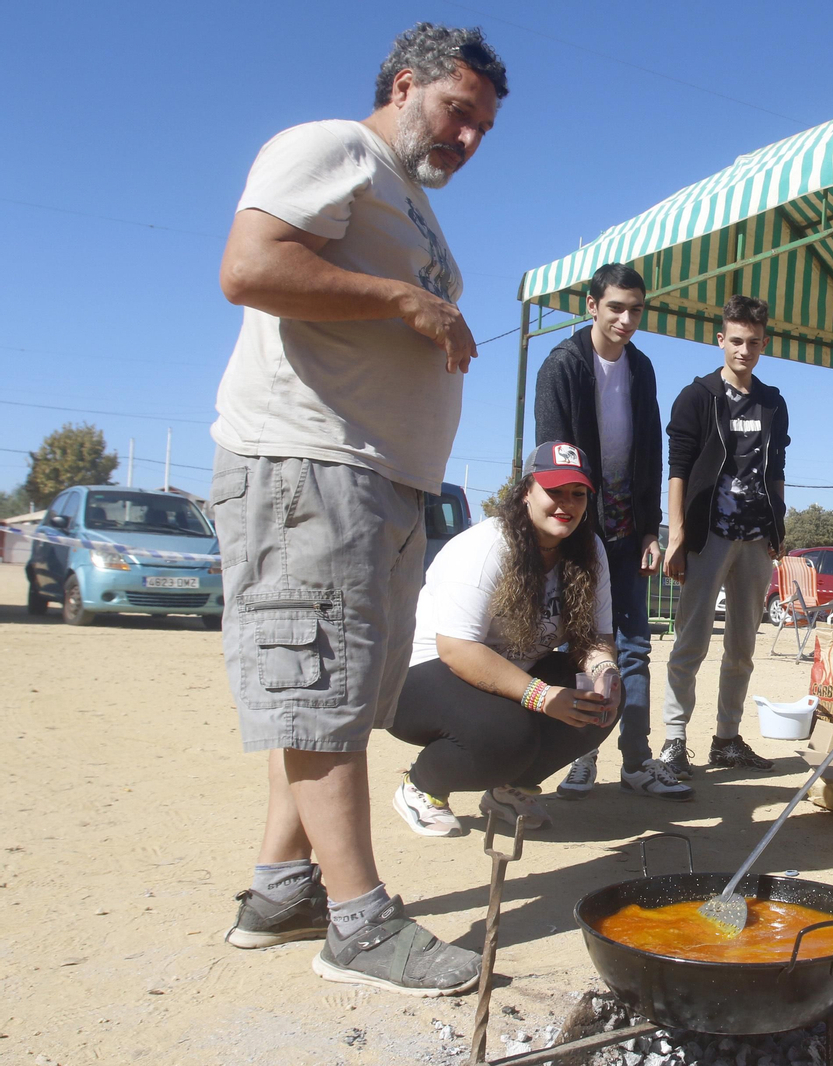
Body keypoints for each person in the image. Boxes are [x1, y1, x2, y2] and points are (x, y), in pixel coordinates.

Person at [212, 24, 507, 995]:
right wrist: (402, 301)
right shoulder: (333, 147)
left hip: (382, 482)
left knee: (331, 701)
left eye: (483, 127)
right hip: (311, 465)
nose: (468, 138)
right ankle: (360, 924)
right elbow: (249, 267)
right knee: (317, 694)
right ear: (403, 85)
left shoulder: (409, 200)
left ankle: (280, 890)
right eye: (458, 111)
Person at [389, 442, 622, 835]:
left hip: (511, 673)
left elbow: (595, 636)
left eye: (578, 494)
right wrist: (543, 696)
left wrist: (605, 672)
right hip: (420, 678)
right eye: (554, 491)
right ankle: (422, 786)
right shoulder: (486, 546)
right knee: (508, 733)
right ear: (526, 491)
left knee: (598, 699)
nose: (566, 504)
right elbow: (457, 650)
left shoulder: (589, 548)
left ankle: (508, 790)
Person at [535, 264, 687, 800]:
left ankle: (637, 761)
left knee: (634, 647)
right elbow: (553, 458)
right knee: (583, 647)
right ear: (592, 305)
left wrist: (649, 530)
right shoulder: (562, 365)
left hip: (629, 531)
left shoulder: (641, 368)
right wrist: (567, 535)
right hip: (580, 530)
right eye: (616, 307)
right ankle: (581, 756)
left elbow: (651, 453)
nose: (625, 319)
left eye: (635, 309)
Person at [658, 295, 790, 780]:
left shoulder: (772, 402)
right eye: (736, 341)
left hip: (756, 538)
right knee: (690, 642)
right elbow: (678, 468)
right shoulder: (697, 396)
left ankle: (727, 739)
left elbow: (777, 469)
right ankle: (674, 740)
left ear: (763, 344)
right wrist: (677, 536)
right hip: (708, 534)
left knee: (742, 647)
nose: (744, 350)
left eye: (753, 342)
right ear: (720, 340)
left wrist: (778, 525)